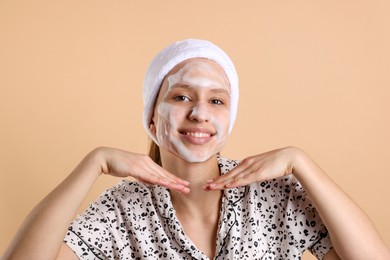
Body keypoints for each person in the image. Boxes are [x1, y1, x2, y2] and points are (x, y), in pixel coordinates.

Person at [2, 39, 389, 260]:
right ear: (152, 120)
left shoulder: (274, 197)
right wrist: (93, 164)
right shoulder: (121, 211)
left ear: (228, 120)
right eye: (182, 96)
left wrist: (302, 164)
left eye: (217, 102)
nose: (200, 113)